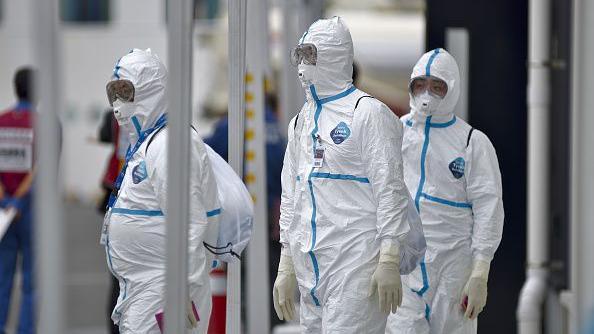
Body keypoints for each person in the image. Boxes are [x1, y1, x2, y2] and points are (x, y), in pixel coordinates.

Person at [272, 17, 410, 333]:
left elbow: (390, 189)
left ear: (334, 56)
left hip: (355, 267)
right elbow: (292, 195)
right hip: (312, 270)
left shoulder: (368, 114)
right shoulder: (300, 122)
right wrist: (287, 262)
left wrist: (389, 257)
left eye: (312, 55)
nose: (303, 66)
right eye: (300, 56)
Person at [101, 48, 220, 333]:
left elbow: (190, 222)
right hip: (146, 288)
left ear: (150, 91)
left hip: (165, 289)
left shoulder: (169, 145)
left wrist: (183, 290)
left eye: (126, 93)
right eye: (114, 94)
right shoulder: (148, 144)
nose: (118, 104)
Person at [386, 48, 504, 333]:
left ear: (452, 88)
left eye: (438, 87)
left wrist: (480, 272)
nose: (427, 94)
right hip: (404, 268)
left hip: (453, 273)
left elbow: (489, 209)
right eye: (421, 85)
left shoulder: (472, 143)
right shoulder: (394, 133)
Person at [204, 93, 285, 329]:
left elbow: (203, 153)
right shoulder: (276, 129)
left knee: (241, 288)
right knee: (268, 286)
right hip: (270, 222)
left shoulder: (234, 124)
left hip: (240, 221)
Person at [0, 67, 36, 334]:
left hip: (3, 213)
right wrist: (20, 203)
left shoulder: (1, 122)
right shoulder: (45, 124)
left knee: (2, 281)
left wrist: (7, 202)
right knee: (31, 284)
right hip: (31, 212)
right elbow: (42, 169)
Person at [97, 108, 128, 334]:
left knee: (117, 277)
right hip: (137, 204)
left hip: (116, 198)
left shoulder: (114, 115)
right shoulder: (154, 119)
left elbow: (103, 135)